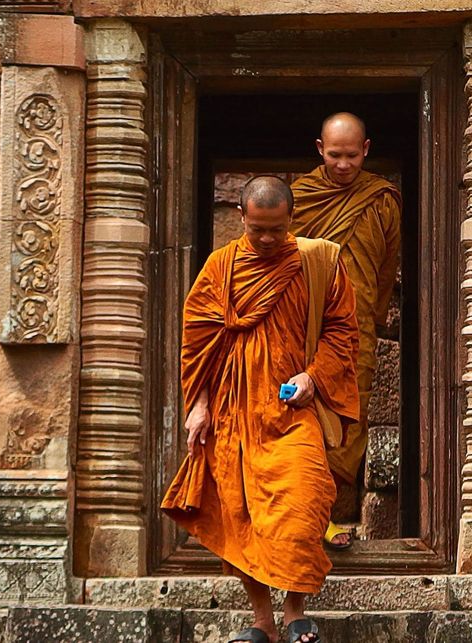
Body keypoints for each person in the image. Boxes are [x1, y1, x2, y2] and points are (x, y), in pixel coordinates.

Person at [161, 176, 360, 643]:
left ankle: (294, 612)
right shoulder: (221, 267)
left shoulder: (319, 262)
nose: (267, 239)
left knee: (303, 500)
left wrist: (313, 377)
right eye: (257, 230)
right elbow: (197, 344)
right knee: (241, 514)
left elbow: (342, 332)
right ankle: (262, 622)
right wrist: (199, 405)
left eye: (275, 229)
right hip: (233, 412)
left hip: (292, 411)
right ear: (241, 219)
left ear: (291, 219)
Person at [290, 112, 401, 550]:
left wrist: (369, 320)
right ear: (320, 149)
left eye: (352, 155)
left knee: (349, 425)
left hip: (356, 336)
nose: (342, 165)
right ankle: (297, 520)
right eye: (334, 155)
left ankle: (332, 519)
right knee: (300, 422)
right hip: (303, 334)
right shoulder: (298, 199)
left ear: (366, 150)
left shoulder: (382, 201)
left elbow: (386, 267)